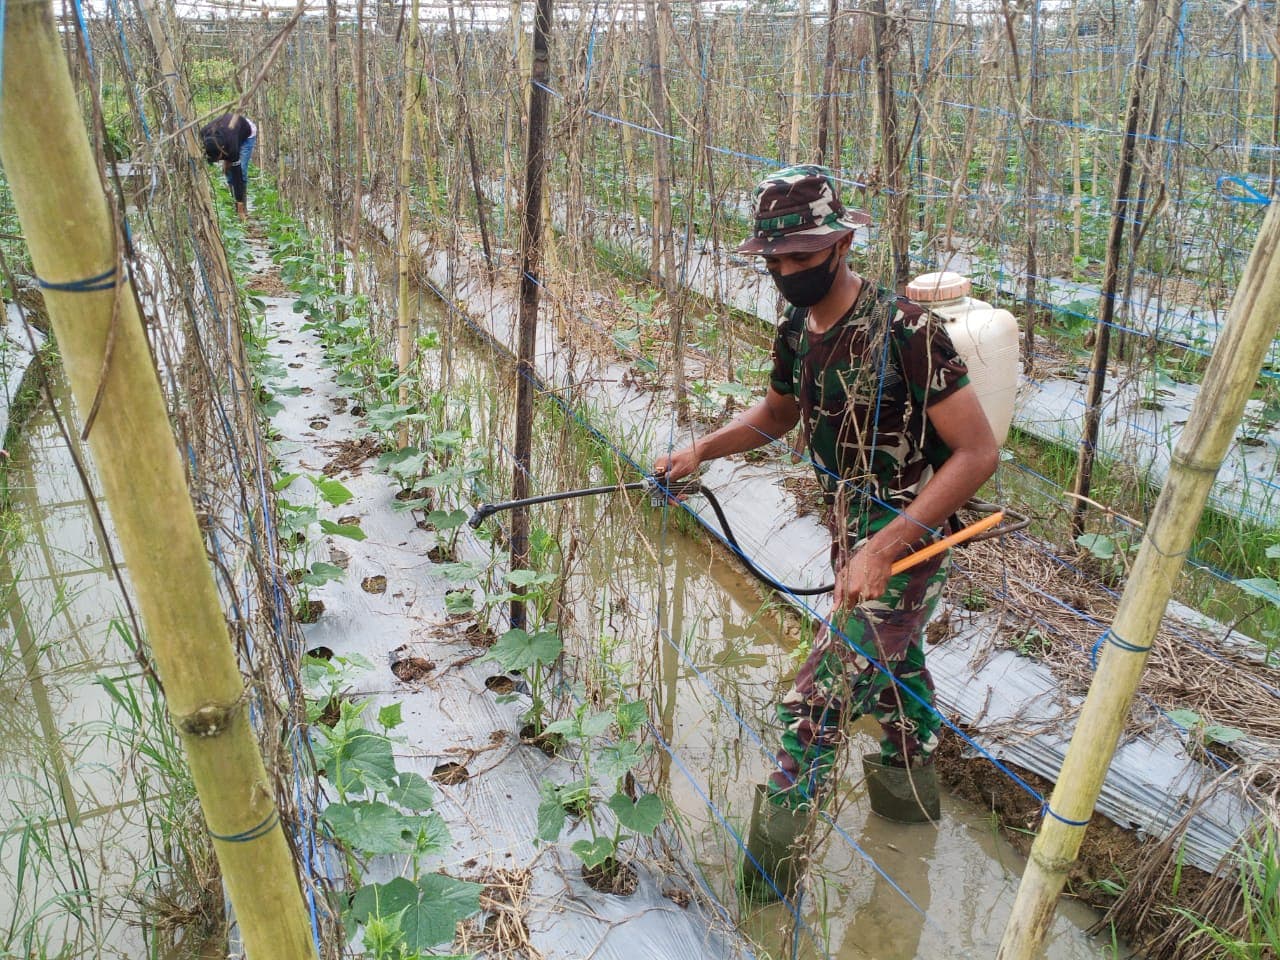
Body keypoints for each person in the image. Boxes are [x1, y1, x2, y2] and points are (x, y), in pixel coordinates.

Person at [653, 165, 998, 900]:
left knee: (821, 698)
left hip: (909, 532)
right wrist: (701, 449)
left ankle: (761, 891)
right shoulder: (796, 328)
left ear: (841, 242)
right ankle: (910, 808)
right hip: (848, 520)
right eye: (774, 261)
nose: (786, 272)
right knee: (896, 672)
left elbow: (976, 453)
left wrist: (883, 547)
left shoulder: (907, 331)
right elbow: (776, 415)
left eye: (801, 258)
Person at [199, 113, 257, 220]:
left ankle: (241, 208)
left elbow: (237, 175)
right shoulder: (203, 135)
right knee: (228, 174)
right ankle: (233, 202)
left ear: (222, 150)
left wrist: (240, 206)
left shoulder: (233, 147)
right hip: (229, 131)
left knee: (241, 171)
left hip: (247, 133)